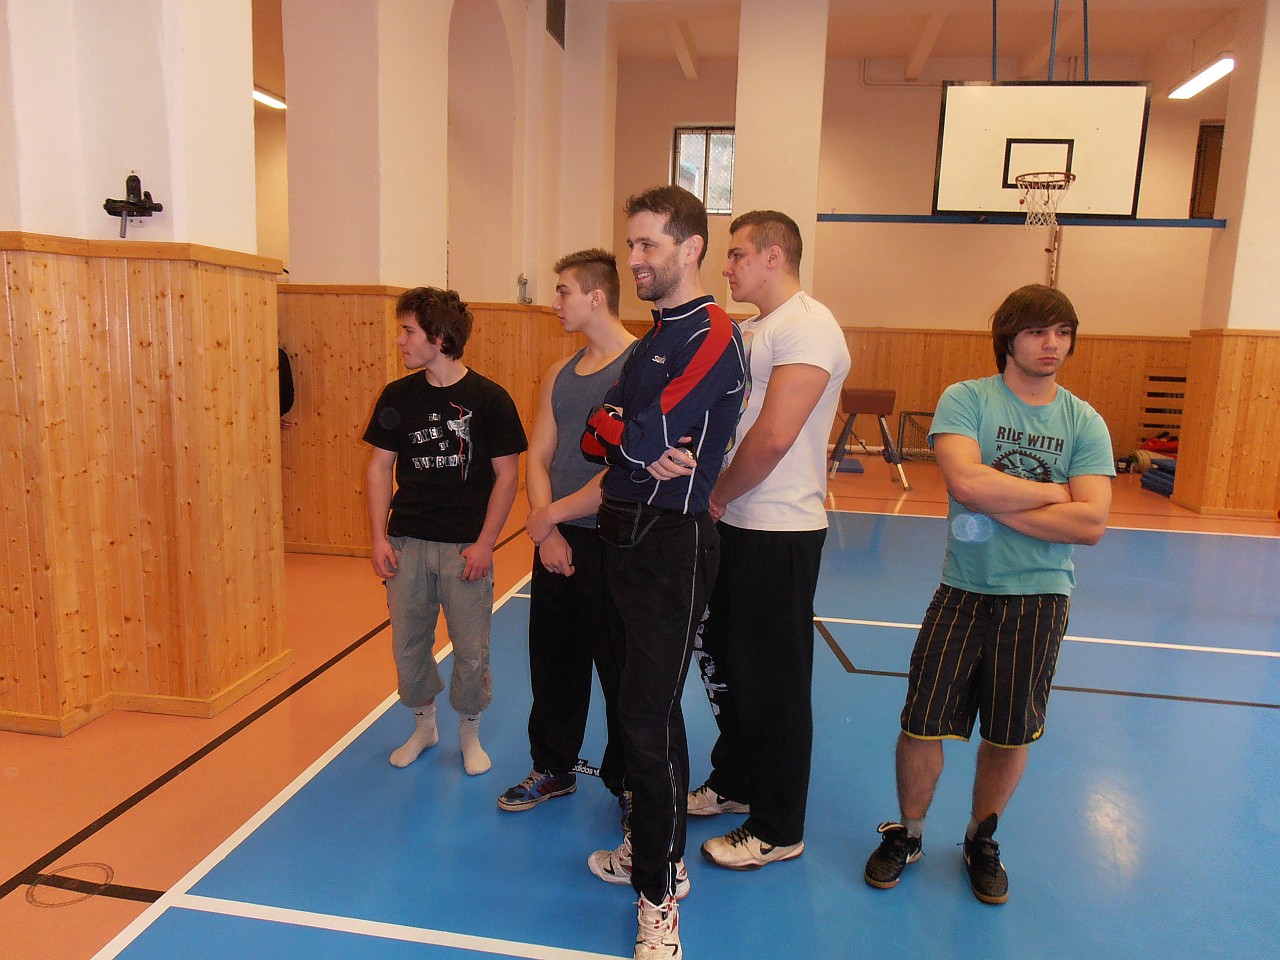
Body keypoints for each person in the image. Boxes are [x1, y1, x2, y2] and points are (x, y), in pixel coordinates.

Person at [862, 283, 1114, 905]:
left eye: (1062, 333)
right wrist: (1054, 493)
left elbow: (1091, 523)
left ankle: (981, 839)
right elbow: (965, 483)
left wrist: (996, 499)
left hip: (1041, 597)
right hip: (963, 589)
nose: (1052, 344)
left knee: (1010, 732)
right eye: (1037, 331)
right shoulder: (967, 399)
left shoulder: (1084, 421)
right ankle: (909, 833)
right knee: (922, 722)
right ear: (1008, 338)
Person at [579, 185, 744, 960]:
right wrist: (631, 435)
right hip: (618, 536)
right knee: (639, 711)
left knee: (646, 723)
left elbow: (646, 434)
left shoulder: (713, 334)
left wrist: (632, 436)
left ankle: (659, 903)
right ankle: (661, 853)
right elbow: (601, 433)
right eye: (631, 244)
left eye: (649, 244)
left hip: (670, 546)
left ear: (691, 247)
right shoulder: (653, 339)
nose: (635, 258)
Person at [688, 211, 850, 871]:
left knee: (772, 683)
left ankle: (779, 826)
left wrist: (717, 493)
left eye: (736, 254)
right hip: (735, 524)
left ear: (774, 256)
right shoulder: (755, 329)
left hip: (777, 530)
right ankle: (736, 780)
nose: (726, 267)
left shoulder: (809, 324)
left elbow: (776, 435)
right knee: (728, 668)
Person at [363, 286, 528, 777]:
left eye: (408, 331)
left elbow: (507, 477)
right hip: (408, 542)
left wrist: (485, 544)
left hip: (464, 548)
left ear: (439, 337)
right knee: (409, 643)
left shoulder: (490, 399)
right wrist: (379, 537)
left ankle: (470, 733)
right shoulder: (397, 396)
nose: (400, 341)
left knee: (471, 649)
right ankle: (424, 726)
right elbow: (379, 468)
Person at [497, 249, 636, 812]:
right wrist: (548, 531)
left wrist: (549, 517)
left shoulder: (640, 367)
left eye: (563, 292)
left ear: (596, 297)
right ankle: (553, 766)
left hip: (617, 539)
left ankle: (630, 782)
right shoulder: (559, 373)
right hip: (557, 538)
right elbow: (539, 455)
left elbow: (624, 469)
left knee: (623, 671)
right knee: (554, 662)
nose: (554, 302)